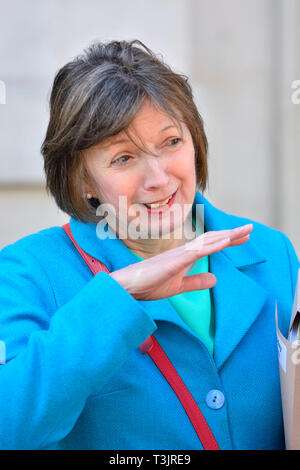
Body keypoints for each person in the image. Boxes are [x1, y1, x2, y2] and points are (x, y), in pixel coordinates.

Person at [0, 39, 298, 451]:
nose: (158, 177)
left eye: (171, 142)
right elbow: (10, 426)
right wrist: (116, 299)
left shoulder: (270, 251)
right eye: (123, 158)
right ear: (83, 180)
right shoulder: (27, 273)